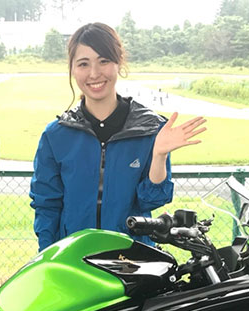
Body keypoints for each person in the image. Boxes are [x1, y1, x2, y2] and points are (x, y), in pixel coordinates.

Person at [29, 22, 205, 251]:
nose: (94, 73)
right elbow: (46, 205)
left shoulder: (150, 129)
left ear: (118, 62)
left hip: (132, 258)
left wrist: (159, 156)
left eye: (103, 61)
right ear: (72, 69)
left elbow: (151, 201)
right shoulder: (56, 135)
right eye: (83, 64)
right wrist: (48, 257)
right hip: (73, 257)